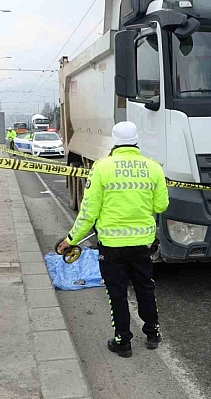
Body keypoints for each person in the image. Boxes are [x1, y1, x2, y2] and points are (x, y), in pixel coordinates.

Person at [57, 121, 169, 358]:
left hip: (112, 246)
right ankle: (152, 334)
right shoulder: (153, 167)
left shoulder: (101, 168)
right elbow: (161, 205)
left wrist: (71, 239)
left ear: (114, 142)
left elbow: (88, 212)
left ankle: (123, 341)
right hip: (143, 244)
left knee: (117, 293)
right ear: (137, 140)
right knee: (145, 288)